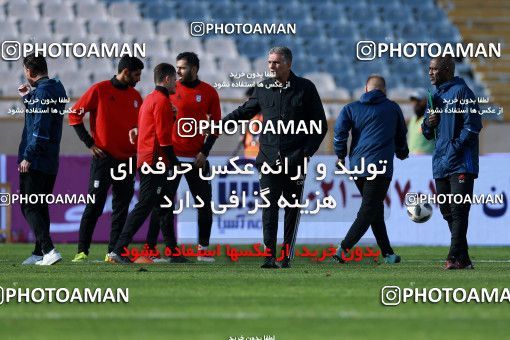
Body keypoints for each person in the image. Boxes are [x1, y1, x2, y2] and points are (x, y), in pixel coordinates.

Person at [222, 46, 328, 268]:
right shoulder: (263, 88)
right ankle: (268, 255)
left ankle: (286, 256)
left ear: (288, 64)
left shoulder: (306, 88)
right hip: (269, 160)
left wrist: (305, 153)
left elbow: (320, 126)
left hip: (296, 160)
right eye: (270, 62)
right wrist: (219, 124)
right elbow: (244, 111)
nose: (271, 66)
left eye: (276, 62)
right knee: (269, 208)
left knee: (292, 209)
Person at [144, 52, 221, 263]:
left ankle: (203, 249)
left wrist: (204, 152)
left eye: (182, 68)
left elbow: (215, 127)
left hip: (196, 159)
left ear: (194, 69)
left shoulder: (209, 92)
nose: (177, 71)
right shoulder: (168, 90)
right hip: (171, 157)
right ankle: (158, 249)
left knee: (204, 204)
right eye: (177, 67)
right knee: (163, 204)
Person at [69, 56, 144, 262]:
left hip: (128, 159)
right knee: (95, 204)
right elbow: (74, 115)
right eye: (137, 74)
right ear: (126, 72)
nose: (139, 79)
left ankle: (113, 252)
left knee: (121, 207)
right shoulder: (99, 89)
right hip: (104, 158)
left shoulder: (137, 96)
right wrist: (89, 143)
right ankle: (82, 251)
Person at [107, 63, 179, 264]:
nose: (176, 83)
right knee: (146, 204)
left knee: (164, 204)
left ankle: (170, 251)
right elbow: (164, 140)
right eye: (174, 79)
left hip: (148, 158)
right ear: (166, 79)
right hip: (155, 162)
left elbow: (151, 130)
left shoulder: (149, 99)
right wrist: (175, 163)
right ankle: (118, 249)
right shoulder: (162, 101)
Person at [333, 75, 408, 264]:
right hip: (380, 167)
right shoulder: (392, 108)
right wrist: (402, 152)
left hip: (358, 166)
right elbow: (400, 136)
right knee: (369, 209)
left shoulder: (351, 108)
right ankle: (343, 248)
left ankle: (388, 253)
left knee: (375, 209)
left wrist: (340, 155)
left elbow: (340, 133)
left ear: (366, 89)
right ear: (384, 91)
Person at [421, 56, 482, 270]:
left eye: (434, 69)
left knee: (458, 210)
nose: (430, 72)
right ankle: (463, 259)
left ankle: (452, 256)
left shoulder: (463, 93)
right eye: (429, 68)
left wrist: (455, 147)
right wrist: (429, 123)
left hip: (461, 163)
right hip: (441, 163)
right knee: (447, 211)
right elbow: (427, 132)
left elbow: (473, 126)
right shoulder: (434, 96)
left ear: (447, 70)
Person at [18, 53, 67, 265]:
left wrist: (28, 156)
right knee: (40, 205)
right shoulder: (57, 88)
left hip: (37, 159)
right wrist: (28, 98)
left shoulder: (43, 92)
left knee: (29, 206)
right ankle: (39, 252)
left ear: (29, 71)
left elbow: (40, 129)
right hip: (50, 159)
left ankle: (49, 250)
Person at [407, 88, 435, 154]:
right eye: (414, 101)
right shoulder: (412, 119)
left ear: (426, 101)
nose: (416, 103)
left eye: (419, 100)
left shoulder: (431, 118)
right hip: (412, 159)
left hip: (427, 159)